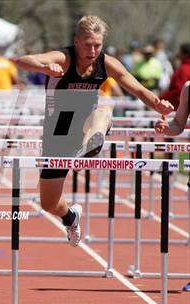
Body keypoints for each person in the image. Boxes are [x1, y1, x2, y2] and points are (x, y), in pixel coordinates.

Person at [15, 15, 174, 247]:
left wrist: (157, 103)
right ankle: (71, 216)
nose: (92, 50)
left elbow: (136, 88)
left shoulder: (106, 62)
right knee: (49, 203)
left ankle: (91, 144)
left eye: (97, 45)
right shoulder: (64, 58)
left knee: (104, 108)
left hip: (89, 122)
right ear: (76, 40)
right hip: (58, 129)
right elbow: (22, 60)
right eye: (87, 44)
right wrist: (43, 66)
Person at [160, 43, 190, 110]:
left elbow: (179, 90)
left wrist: (162, 98)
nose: (178, 54)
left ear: (185, 54)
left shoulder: (183, 69)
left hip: (178, 108)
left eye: (180, 51)